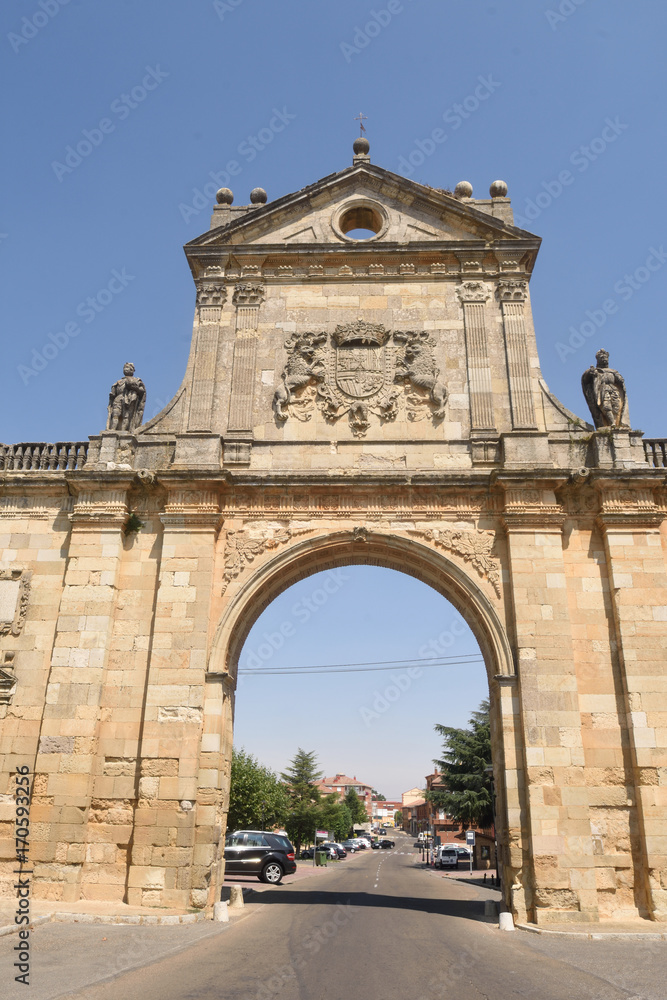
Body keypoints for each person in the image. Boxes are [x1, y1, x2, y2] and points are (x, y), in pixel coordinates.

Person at [581, 349, 629, 429]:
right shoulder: (596, 371)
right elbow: (585, 379)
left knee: (616, 408)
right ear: (598, 360)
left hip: (614, 390)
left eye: (605, 358)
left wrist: (619, 378)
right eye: (602, 358)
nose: (604, 360)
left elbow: (621, 381)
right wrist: (590, 372)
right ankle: (612, 424)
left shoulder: (613, 371)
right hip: (603, 390)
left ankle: (617, 423)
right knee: (606, 407)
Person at [107, 362, 146, 431]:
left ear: (132, 370)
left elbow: (142, 391)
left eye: (127, 367)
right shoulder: (118, 382)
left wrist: (133, 386)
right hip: (118, 398)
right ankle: (112, 429)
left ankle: (124, 430)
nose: (125, 369)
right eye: (124, 368)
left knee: (126, 416)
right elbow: (113, 393)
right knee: (115, 414)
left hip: (129, 399)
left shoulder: (136, 380)